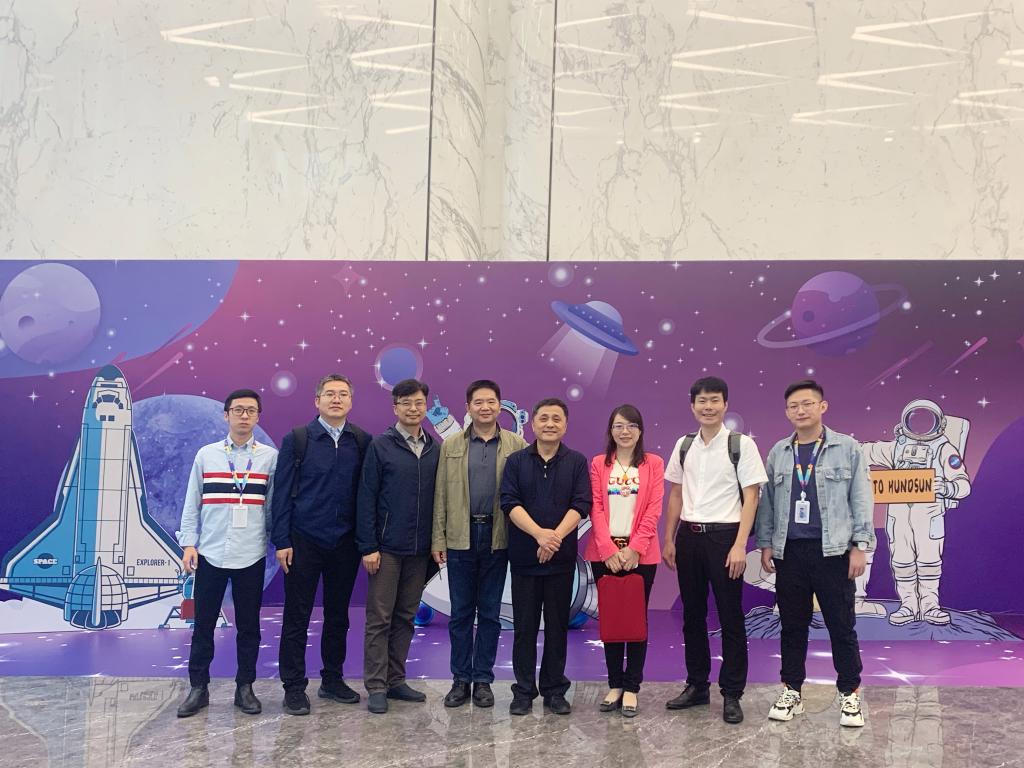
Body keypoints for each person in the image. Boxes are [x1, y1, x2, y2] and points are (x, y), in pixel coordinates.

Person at [755, 379, 875, 727]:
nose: (801, 410)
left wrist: (860, 546)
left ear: (822, 407)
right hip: (790, 552)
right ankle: (791, 690)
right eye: (794, 406)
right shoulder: (779, 452)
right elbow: (768, 503)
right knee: (792, 627)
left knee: (841, 626)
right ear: (786, 412)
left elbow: (861, 497)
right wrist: (766, 543)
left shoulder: (847, 447)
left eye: (807, 403)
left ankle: (849, 693)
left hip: (833, 552)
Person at [662, 376, 767, 724]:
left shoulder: (741, 445)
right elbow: (676, 494)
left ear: (725, 404)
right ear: (692, 406)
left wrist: (740, 544)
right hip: (689, 538)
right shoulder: (684, 445)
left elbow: (751, 497)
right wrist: (669, 538)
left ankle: (732, 693)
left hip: (725, 538)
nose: (708, 407)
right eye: (702, 401)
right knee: (692, 615)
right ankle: (697, 685)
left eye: (715, 400)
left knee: (730, 616)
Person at [272, 375, 371, 716]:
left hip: (344, 543)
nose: (336, 399)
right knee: (297, 617)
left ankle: (332, 680)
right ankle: (293, 687)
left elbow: (366, 495)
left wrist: (364, 540)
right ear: (317, 401)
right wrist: (282, 540)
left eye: (343, 394)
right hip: (303, 541)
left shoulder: (361, 440)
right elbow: (281, 493)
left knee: (338, 616)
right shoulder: (298, 439)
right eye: (329, 394)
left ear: (351, 402)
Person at [176, 389, 278, 718]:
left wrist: (279, 542)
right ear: (226, 415)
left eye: (251, 410)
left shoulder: (269, 458)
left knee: (249, 627)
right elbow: (192, 502)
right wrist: (189, 543)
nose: (244, 416)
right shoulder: (207, 455)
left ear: (258, 416)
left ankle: (244, 688)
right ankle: (198, 688)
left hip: (252, 554)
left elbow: (273, 507)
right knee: (203, 625)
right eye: (238, 410)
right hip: (211, 553)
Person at [432, 380, 527, 708]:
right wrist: (438, 538)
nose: (485, 407)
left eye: (491, 402)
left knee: (489, 613)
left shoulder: (516, 444)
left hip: (498, 538)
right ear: (468, 407)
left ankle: (483, 679)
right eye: (478, 402)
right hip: (460, 536)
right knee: (460, 614)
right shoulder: (451, 444)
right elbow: (441, 495)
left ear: (500, 406)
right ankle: (460, 679)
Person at [500, 398, 592, 716]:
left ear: (565, 425)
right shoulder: (516, 461)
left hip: (561, 561)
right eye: (544, 418)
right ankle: (524, 691)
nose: (550, 424)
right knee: (524, 629)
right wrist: (540, 534)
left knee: (557, 628)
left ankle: (554, 690)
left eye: (556, 418)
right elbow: (509, 502)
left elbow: (581, 505)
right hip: (525, 559)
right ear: (533, 423)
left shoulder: (576, 462)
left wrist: (554, 539)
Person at [357, 378, 439, 714]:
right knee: (380, 617)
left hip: (420, 550)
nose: (413, 408)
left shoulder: (434, 448)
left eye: (419, 402)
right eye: (406, 403)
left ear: (426, 406)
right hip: (386, 549)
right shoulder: (381, 446)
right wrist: (368, 546)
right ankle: (376, 685)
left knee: (406, 616)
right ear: (395, 408)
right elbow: (366, 497)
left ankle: (395, 680)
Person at [583, 404, 664, 718]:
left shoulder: (653, 464)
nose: (625, 431)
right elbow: (595, 508)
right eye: (619, 425)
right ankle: (615, 684)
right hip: (604, 555)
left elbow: (653, 509)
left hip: (641, 555)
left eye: (631, 425)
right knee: (612, 619)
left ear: (640, 430)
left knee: (636, 621)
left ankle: (632, 687)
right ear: (611, 430)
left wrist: (635, 549)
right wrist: (607, 550)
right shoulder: (598, 463)